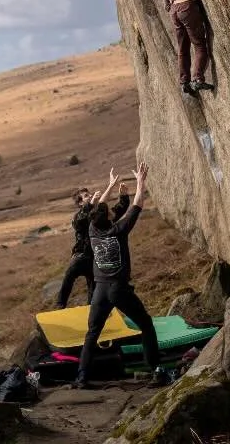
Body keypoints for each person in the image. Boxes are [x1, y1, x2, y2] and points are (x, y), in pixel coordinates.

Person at [73, 162, 170, 389]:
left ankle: (81, 378)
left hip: (99, 290)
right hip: (118, 289)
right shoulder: (118, 230)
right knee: (145, 323)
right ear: (109, 217)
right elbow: (136, 206)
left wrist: (110, 185)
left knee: (92, 332)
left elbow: (97, 205)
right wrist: (141, 182)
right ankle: (156, 370)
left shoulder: (92, 230)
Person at [56, 174, 136, 308]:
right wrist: (92, 203)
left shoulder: (100, 216)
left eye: (90, 194)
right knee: (69, 276)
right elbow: (79, 222)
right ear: (81, 202)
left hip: (96, 259)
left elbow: (118, 211)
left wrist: (123, 195)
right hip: (81, 257)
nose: (91, 196)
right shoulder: (79, 216)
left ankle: (90, 309)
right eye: (87, 196)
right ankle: (60, 305)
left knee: (94, 289)